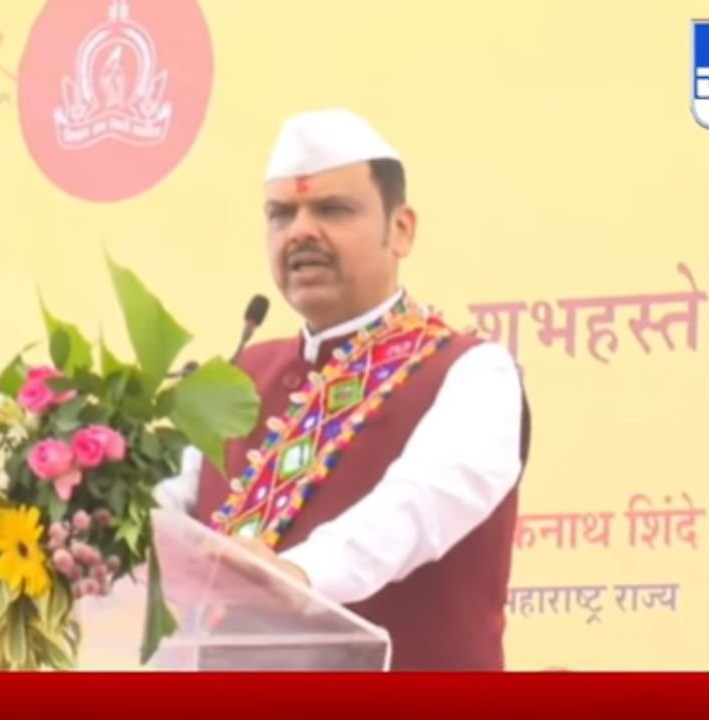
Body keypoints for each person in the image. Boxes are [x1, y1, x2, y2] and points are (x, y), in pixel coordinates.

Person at [155, 108, 531, 671]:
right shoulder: (236, 378)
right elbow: (163, 515)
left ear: (401, 229)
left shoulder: (472, 372)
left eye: (333, 210)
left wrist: (301, 573)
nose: (301, 231)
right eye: (281, 214)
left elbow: (419, 505)